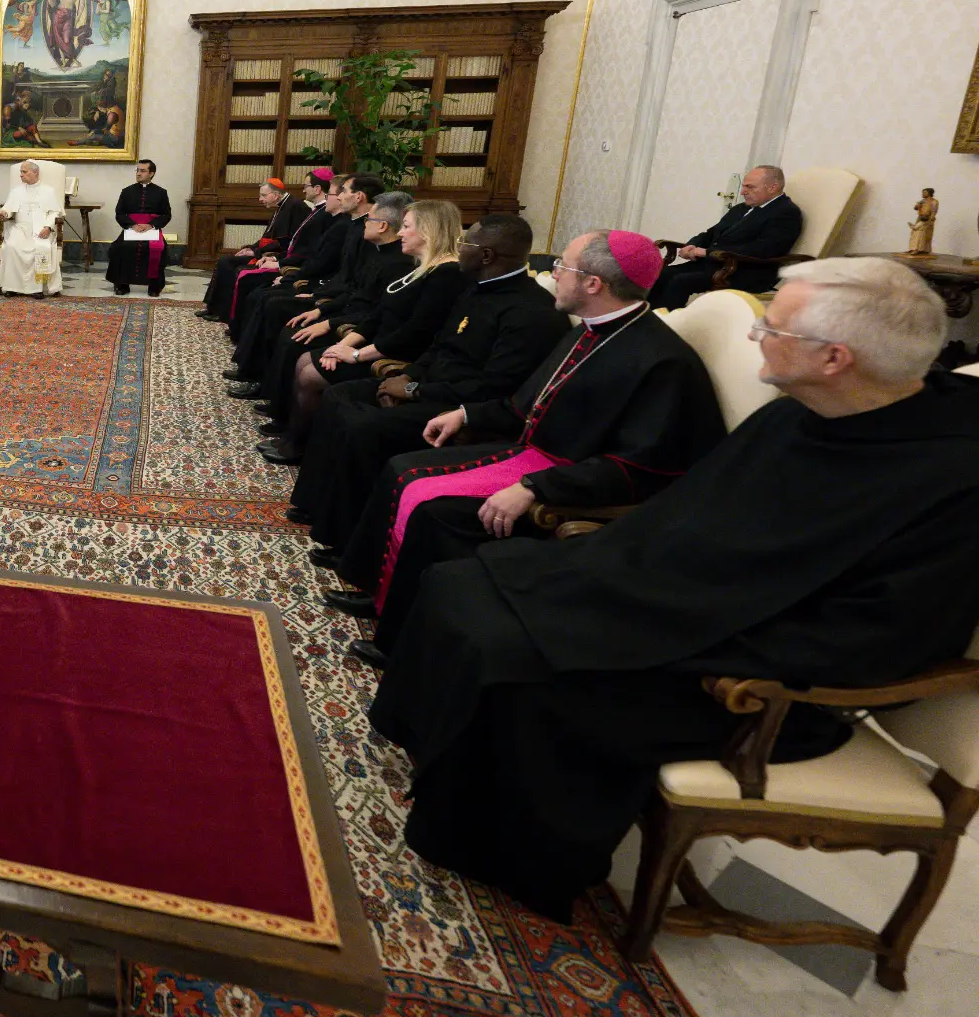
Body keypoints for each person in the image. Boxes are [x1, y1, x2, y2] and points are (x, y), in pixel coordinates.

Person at [368, 258, 979, 924]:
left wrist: (667, 625)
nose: (755, 337)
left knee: (520, 665)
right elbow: (691, 516)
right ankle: (433, 754)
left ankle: (495, 847)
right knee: (459, 583)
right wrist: (618, 577)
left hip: (758, 676)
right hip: (680, 596)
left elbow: (886, 635)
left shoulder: (955, 479)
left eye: (772, 327)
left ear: (835, 358)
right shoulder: (804, 412)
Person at [322, 229, 725, 668]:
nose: (553, 274)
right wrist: (466, 415)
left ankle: (402, 637)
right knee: (402, 468)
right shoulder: (591, 332)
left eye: (563, 267)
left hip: (570, 482)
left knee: (433, 507)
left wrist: (535, 487)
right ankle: (379, 592)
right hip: (534, 452)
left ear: (594, 284)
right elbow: (526, 404)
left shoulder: (664, 362)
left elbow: (638, 467)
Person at [288, 214, 568, 544]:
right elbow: (439, 344)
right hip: (428, 383)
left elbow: (495, 387)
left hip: (456, 405)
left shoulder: (531, 312)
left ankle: (344, 536)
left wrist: (413, 390)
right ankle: (316, 503)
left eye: (465, 244)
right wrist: (407, 374)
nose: (458, 249)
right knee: (339, 397)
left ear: (486, 255)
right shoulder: (476, 288)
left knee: (363, 427)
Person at [259, 200, 465, 463]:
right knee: (304, 361)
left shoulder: (448, 274)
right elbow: (378, 314)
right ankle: (296, 437)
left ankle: (299, 446)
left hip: (398, 355)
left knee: (310, 375)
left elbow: (415, 334)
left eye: (406, 226)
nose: (400, 232)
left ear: (428, 231)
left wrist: (357, 355)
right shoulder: (422, 266)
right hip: (377, 344)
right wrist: (343, 346)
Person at [226, 176, 386, 397]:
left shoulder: (360, 232)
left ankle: (264, 384)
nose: (339, 197)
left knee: (275, 307)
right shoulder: (352, 225)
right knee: (267, 299)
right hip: (331, 292)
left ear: (358, 197)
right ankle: (253, 371)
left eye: (341, 192)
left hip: (335, 299)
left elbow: (348, 282)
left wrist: (316, 296)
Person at [649, 165, 804, 309]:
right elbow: (712, 233)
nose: (742, 192)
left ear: (773, 187)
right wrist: (691, 245)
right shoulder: (742, 208)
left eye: (750, 187)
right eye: (743, 186)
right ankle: (647, 320)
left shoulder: (786, 212)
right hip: (714, 264)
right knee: (660, 274)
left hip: (747, 272)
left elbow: (763, 249)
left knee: (680, 282)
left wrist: (707, 252)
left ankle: (665, 325)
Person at [202, 178, 303, 323]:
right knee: (224, 261)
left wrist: (256, 252)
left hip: (274, 256)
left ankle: (222, 311)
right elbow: (267, 235)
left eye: (263, 195)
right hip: (265, 252)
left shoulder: (294, 207)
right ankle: (214, 308)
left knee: (228, 264)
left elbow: (284, 243)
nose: (260, 199)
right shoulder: (281, 206)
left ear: (276, 195)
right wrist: (251, 248)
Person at [0, 160, 63, 298]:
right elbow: (8, 209)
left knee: (39, 247)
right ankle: (12, 287)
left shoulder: (48, 191)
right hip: (20, 228)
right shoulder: (16, 191)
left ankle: (36, 288)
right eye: (20, 172)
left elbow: (55, 212)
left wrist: (48, 227)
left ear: (35, 172)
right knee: (12, 246)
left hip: (41, 229)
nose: (21, 175)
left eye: (24, 172)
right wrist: (4, 213)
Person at [104, 159, 172, 296]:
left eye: (143, 171)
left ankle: (154, 286)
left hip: (151, 229)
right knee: (118, 248)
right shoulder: (127, 191)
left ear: (151, 173)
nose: (138, 173)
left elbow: (166, 215)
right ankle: (122, 284)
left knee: (158, 249)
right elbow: (119, 213)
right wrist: (132, 225)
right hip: (131, 228)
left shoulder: (161, 192)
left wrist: (151, 225)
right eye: (137, 170)